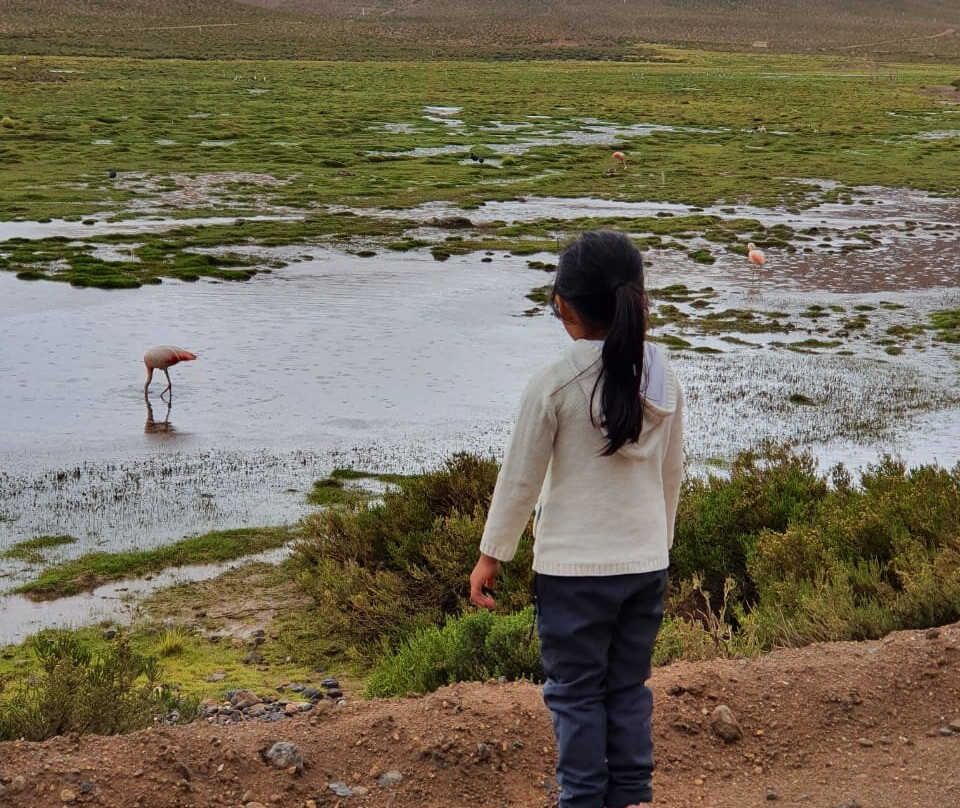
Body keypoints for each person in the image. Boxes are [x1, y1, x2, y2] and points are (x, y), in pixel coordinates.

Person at [469, 230, 684, 808]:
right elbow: (672, 475)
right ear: (636, 297)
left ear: (564, 306)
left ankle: (584, 799)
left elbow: (520, 478)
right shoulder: (663, 376)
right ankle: (630, 797)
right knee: (628, 688)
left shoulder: (554, 383)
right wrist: (659, 546)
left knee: (576, 693)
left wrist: (492, 555)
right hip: (645, 566)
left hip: (573, 573)